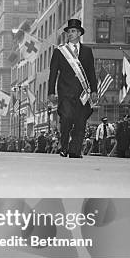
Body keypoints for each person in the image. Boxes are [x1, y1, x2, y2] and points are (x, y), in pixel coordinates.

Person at [47, 19, 97, 158]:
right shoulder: (60, 51)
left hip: (82, 93)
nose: (70, 33)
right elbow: (53, 72)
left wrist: (94, 90)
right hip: (65, 92)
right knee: (67, 118)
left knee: (80, 122)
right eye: (69, 31)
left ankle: (75, 150)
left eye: (73, 31)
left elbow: (91, 72)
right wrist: (51, 91)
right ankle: (64, 147)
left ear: (79, 33)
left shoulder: (87, 51)